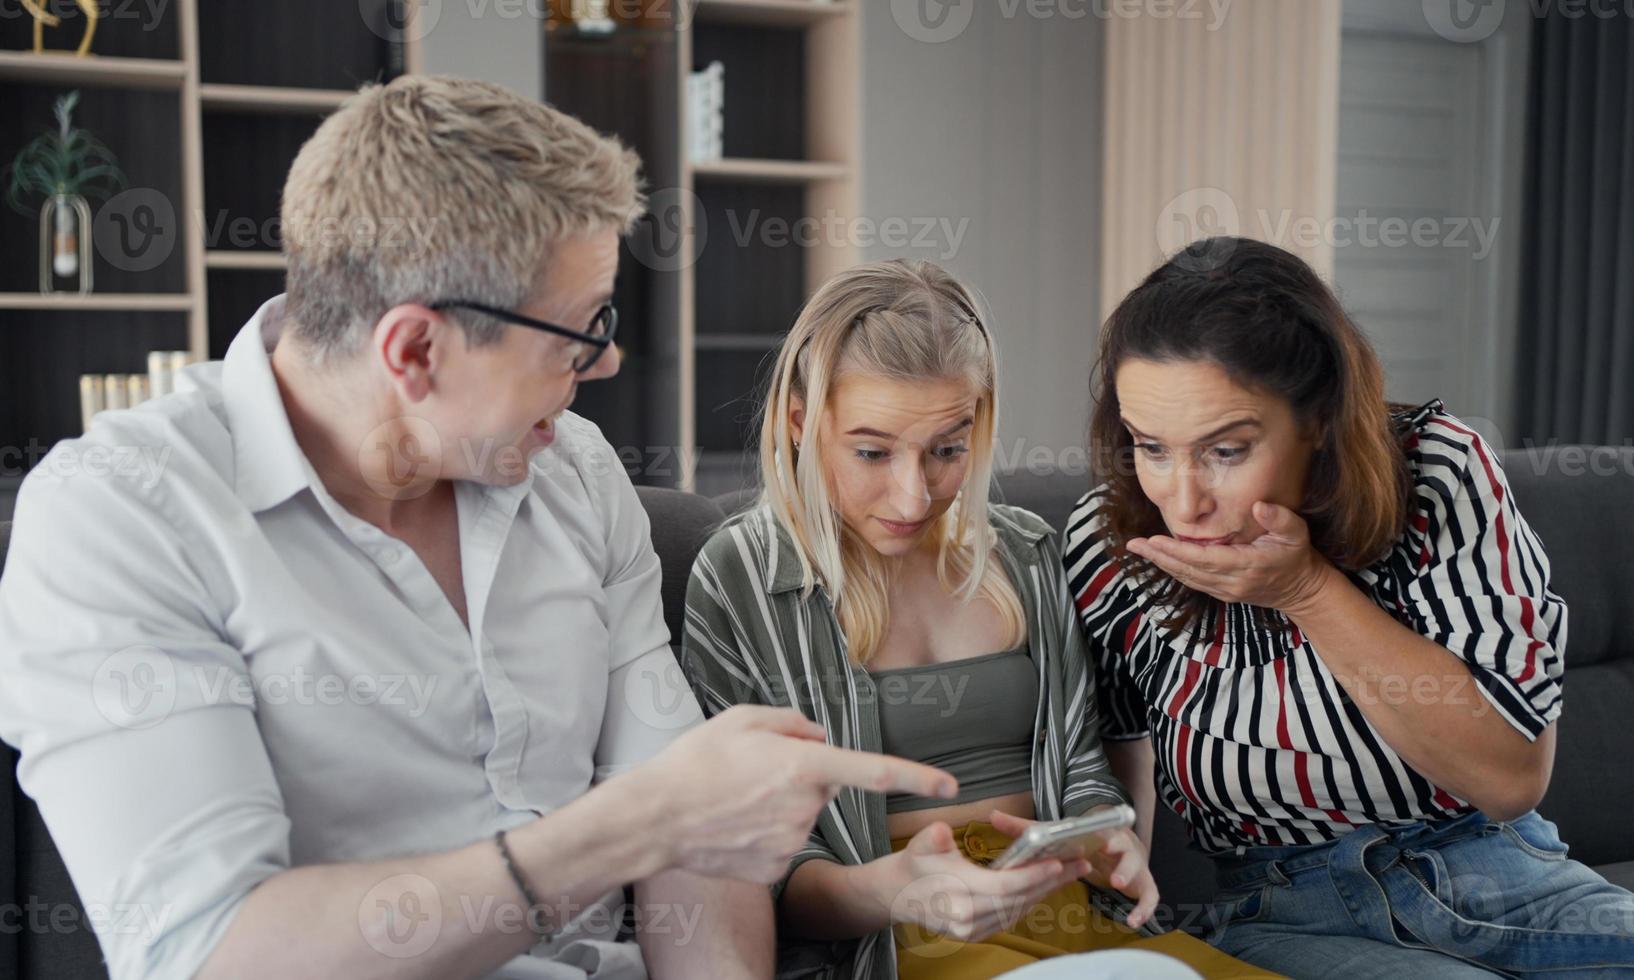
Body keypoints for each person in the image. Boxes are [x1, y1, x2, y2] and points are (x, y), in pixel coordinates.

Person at [0, 75, 957, 980]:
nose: (610, 359)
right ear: (414, 349)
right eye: (581, 329)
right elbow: (210, 953)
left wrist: (678, 822)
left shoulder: (574, 472)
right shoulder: (121, 515)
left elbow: (693, 847)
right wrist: (638, 823)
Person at [1065, 236, 1634, 977]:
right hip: (1281, 910)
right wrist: (1121, 908)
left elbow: (1509, 780)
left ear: (1320, 420)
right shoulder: (1112, 536)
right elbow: (1117, 749)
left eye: (1226, 451)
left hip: (1502, 874)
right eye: (1151, 446)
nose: (1182, 499)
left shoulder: (1437, 473)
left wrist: (1306, 590)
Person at [681, 259, 1267, 978]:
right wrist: (896, 892)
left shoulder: (1024, 552)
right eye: (872, 451)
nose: (911, 495)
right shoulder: (742, 575)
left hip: (1068, 913)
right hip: (898, 941)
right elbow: (758, 870)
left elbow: (1082, 766)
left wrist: (1106, 841)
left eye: (947, 450)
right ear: (801, 422)